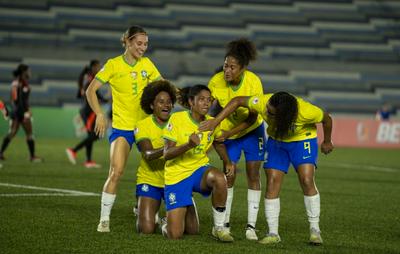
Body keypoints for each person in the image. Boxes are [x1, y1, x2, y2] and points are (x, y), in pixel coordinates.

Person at [199, 91, 334, 245]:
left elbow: (327, 119)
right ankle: (273, 233)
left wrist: (327, 141)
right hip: (277, 141)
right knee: (272, 182)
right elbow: (237, 101)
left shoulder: (307, 111)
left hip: (303, 141)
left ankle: (315, 230)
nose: (266, 113)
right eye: (267, 110)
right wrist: (216, 121)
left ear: (284, 115)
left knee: (306, 179)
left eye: (271, 113)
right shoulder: (264, 102)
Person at [85, 25, 162, 232]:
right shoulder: (113, 65)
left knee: (154, 169)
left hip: (145, 128)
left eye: (146, 44)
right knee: (116, 171)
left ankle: (146, 207)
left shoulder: (147, 64)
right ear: (127, 42)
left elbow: (163, 87)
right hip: (122, 128)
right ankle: (104, 220)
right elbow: (91, 90)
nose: (143, 48)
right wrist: (100, 114)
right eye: (139, 43)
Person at [207, 38, 265, 240]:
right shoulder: (216, 81)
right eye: (225, 66)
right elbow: (210, 107)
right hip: (227, 132)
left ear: (242, 69)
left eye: (232, 67)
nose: (227, 71)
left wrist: (227, 134)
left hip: (251, 131)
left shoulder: (253, 82)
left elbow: (252, 117)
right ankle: (224, 223)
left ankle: (251, 227)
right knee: (228, 174)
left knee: (253, 174)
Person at [161, 85, 234, 242]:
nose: (206, 103)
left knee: (220, 178)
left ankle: (219, 228)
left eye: (209, 100)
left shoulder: (212, 123)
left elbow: (218, 142)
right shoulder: (177, 119)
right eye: (201, 99)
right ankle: (167, 221)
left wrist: (228, 162)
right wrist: (188, 145)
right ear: (191, 102)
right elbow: (166, 154)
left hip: (198, 171)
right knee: (176, 235)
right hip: (177, 176)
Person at [134, 80, 177, 234]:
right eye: (161, 102)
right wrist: (169, 147)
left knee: (192, 229)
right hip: (149, 180)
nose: (166, 105)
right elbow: (148, 155)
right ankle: (144, 208)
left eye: (169, 102)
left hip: (174, 181)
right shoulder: (142, 125)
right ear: (151, 105)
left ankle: (167, 220)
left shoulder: (178, 122)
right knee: (146, 229)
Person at [65, 60, 106, 168]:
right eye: (98, 66)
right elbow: (91, 92)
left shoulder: (88, 78)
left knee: (92, 135)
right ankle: (73, 150)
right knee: (95, 134)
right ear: (92, 67)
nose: (99, 68)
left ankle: (88, 161)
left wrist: (103, 99)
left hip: (90, 111)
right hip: (88, 112)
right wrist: (103, 99)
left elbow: (89, 92)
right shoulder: (90, 79)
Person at [0, 64, 42, 162]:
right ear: (24, 72)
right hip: (20, 112)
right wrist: (25, 112)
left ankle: (1, 153)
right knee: (28, 133)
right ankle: (32, 156)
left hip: (18, 111)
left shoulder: (19, 83)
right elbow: (17, 100)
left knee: (13, 133)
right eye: (28, 71)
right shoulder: (19, 83)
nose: (29, 73)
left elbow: (18, 99)